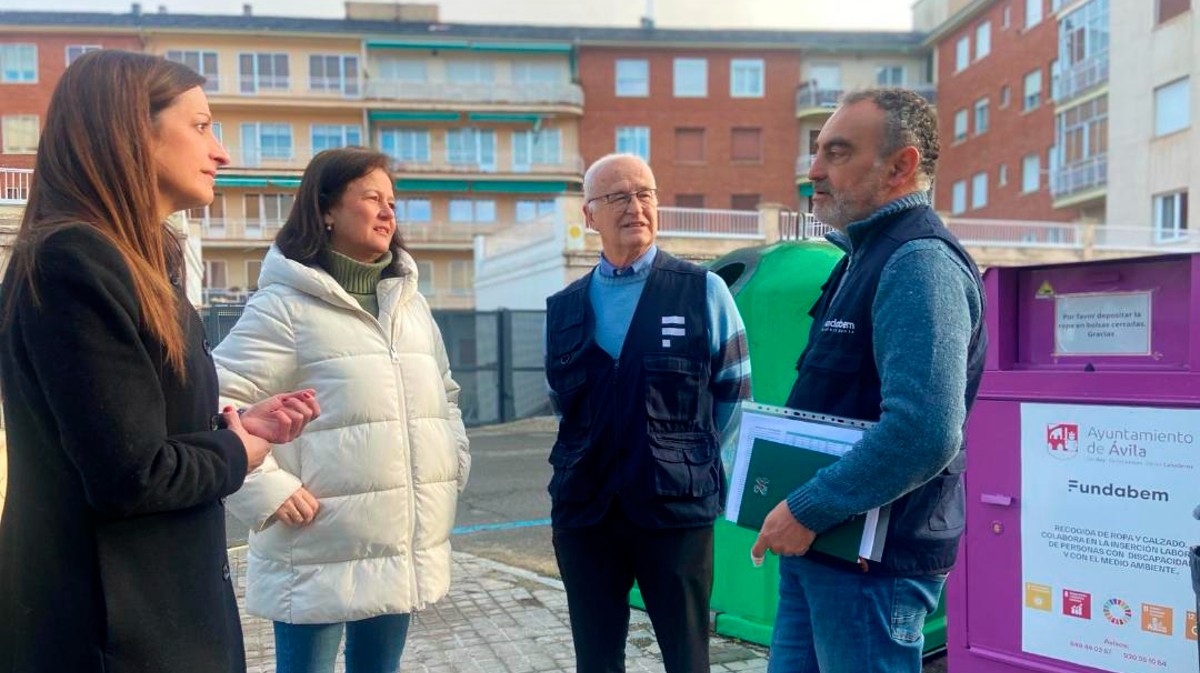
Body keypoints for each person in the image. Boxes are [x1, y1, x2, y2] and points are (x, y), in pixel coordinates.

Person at [0, 50, 319, 673]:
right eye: (200, 126)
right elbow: (131, 476)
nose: (221, 151)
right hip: (113, 634)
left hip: (152, 618)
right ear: (129, 134)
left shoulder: (132, 261)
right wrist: (238, 454)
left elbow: (138, 431)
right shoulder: (75, 263)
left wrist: (237, 425)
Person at [751, 88, 987, 673]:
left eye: (837, 153)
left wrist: (807, 508)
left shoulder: (917, 263)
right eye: (816, 153)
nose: (814, 170)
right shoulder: (859, 258)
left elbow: (924, 433)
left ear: (901, 166)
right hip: (827, 552)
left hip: (867, 573)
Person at [213, 147, 471, 673]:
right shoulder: (284, 305)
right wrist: (266, 488)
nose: (387, 212)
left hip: (398, 541)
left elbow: (445, 394)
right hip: (316, 547)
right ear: (326, 209)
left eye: (392, 202)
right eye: (372, 198)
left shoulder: (409, 304)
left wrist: (454, 459)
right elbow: (217, 402)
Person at [544, 153, 751, 673]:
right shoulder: (563, 307)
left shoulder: (703, 291)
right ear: (589, 215)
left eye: (645, 194)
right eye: (616, 196)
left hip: (674, 513)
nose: (634, 206)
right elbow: (563, 406)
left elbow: (734, 397)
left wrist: (686, 464)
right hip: (585, 513)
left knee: (687, 658)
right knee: (595, 661)